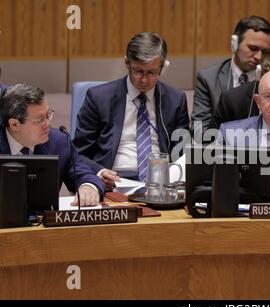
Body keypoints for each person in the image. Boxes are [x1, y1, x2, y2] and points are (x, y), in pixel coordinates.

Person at [73, 32, 189, 190]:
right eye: (138, 71)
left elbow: (181, 154)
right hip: (113, 182)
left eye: (151, 73)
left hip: (161, 185)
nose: (144, 79)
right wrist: (99, 172)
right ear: (127, 63)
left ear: (163, 67)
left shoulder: (176, 100)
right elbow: (78, 153)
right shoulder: (99, 98)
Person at [0, 83, 104, 206]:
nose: (48, 124)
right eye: (40, 120)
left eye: (48, 115)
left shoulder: (59, 141)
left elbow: (83, 174)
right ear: (14, 124)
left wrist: (88, 187)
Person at [191, 16, 270, 135]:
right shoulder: (208, 78)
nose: (259, 57)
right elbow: (199, 129)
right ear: (235, 43)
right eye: (253, 48)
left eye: (265, 51)